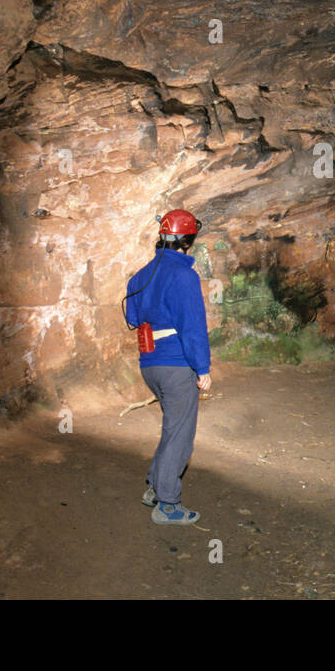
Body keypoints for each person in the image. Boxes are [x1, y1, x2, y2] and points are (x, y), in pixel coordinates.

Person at [123, 209, 212, 526]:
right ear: (187, 241)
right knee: (181, 435)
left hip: (150, 364)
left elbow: (133, 319)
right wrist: (203, 368)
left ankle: (154, 488)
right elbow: (193, 327)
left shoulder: (140, 275)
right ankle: (168, 504)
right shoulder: (184, 276)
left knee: (172, 428)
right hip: (176, 365)